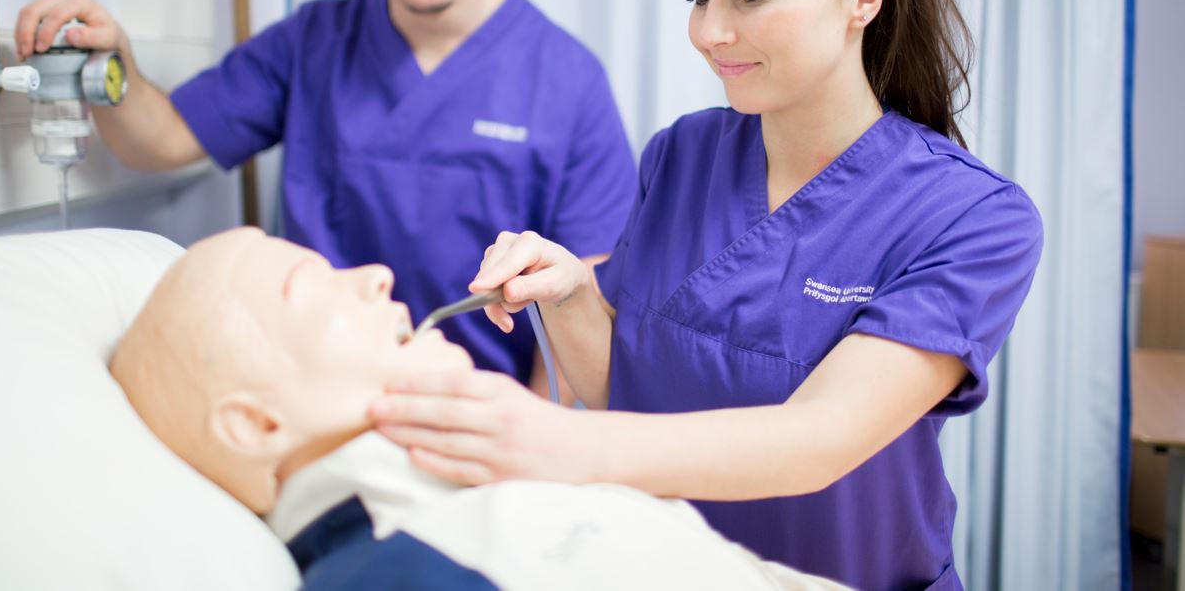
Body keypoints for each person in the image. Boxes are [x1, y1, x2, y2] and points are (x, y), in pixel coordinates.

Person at [365, 0, 1045, 591]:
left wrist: (551, 442)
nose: (710, 32)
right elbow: (631, 389)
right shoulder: (682, 154)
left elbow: (819, 438)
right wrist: (573, 291)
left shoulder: (971, 218)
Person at [14, 0, 636, 390]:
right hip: (311, 392)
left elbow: (582, 295)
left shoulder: (567, 78)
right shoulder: (314, 42)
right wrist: (115, 62)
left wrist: (526, 448)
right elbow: (163, 139)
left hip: (475, 404)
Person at [109, 226, 850, 590]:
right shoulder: (395, 571)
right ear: (256, 423)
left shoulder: (479, 503)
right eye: (313, 284)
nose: (374, 274)